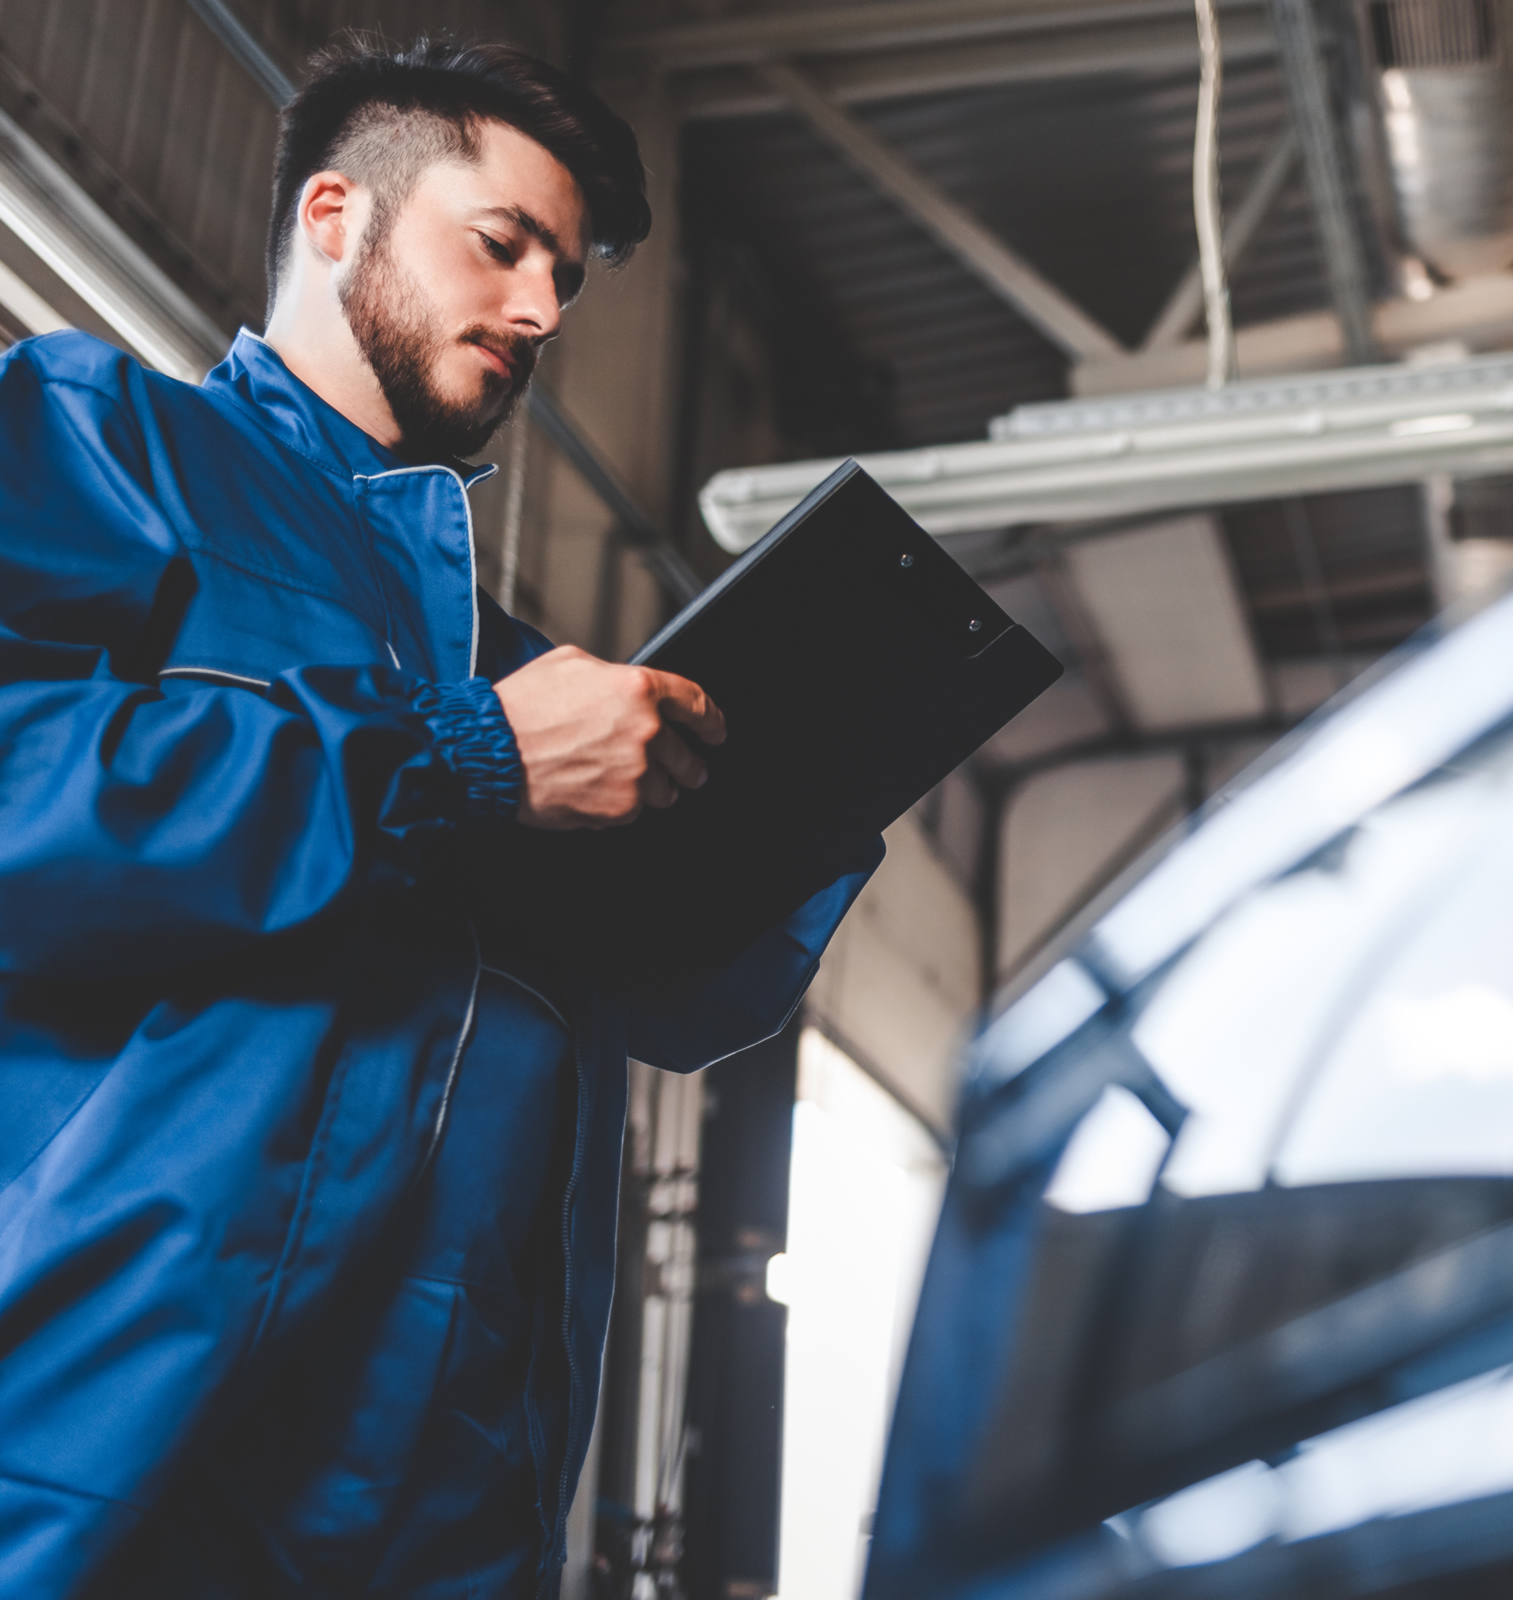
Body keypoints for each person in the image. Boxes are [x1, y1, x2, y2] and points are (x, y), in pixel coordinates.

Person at [0, 37, 879, 1599]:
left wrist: (804, 793)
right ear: (336, 213)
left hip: (445, 1507)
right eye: (502, 246)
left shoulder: (523, 671)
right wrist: (459, 759)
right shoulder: (103, 444)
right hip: (110, 1456)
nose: (542, 310)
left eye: (565, 278)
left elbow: (672, 1000)